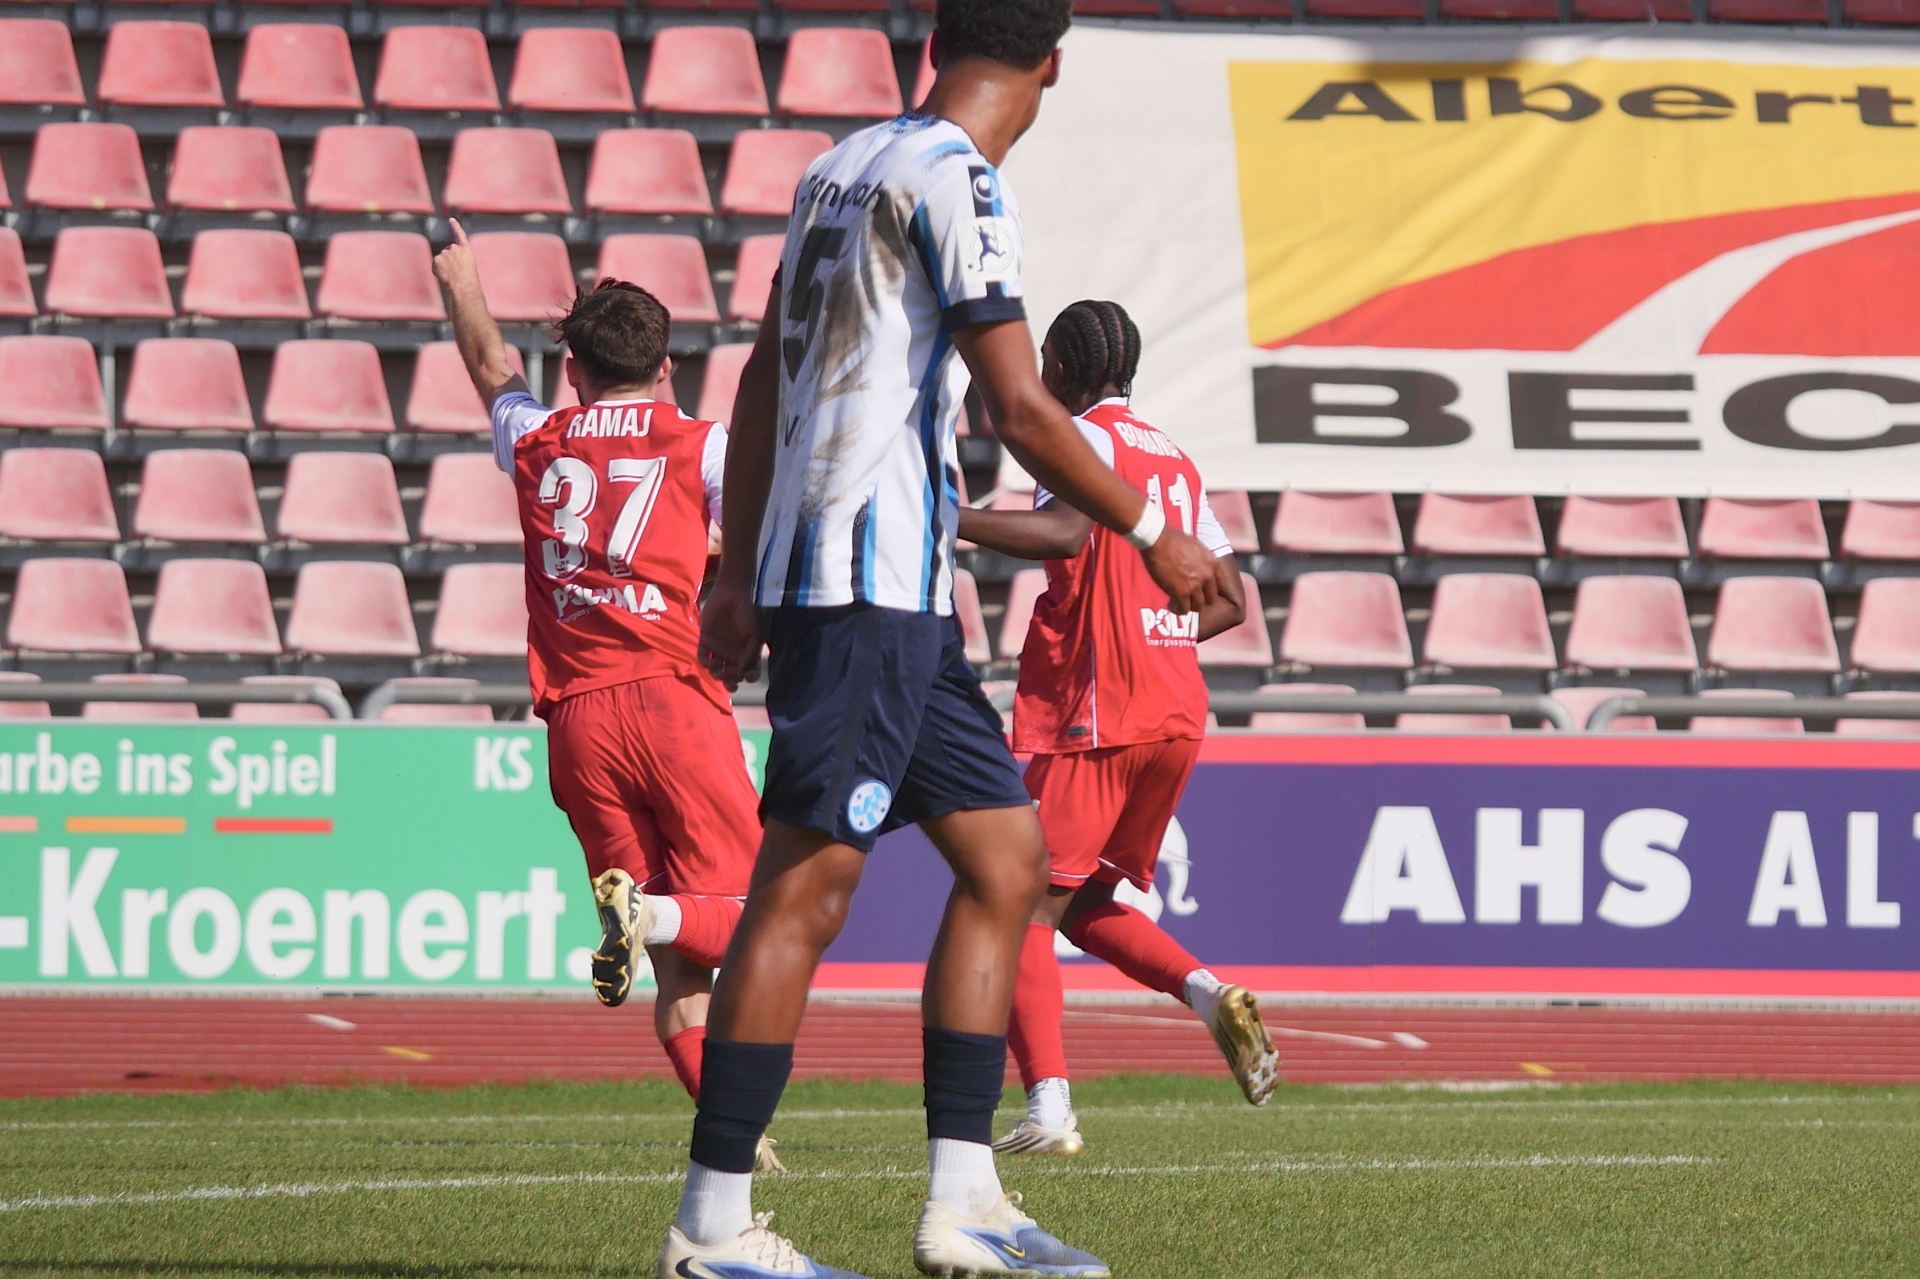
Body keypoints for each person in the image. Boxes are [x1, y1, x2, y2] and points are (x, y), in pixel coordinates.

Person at [674, 0, 1223, 1270]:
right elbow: (1024, 406)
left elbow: (760, 379)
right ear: (1052, 66)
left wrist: (739, 572)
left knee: (1006, 862)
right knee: (805, 890)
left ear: (936, 44)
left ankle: (965, 1200)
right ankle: (711, 1226)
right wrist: (1157, 531)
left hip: (890, 594)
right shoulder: (962, 180)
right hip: (864, 588)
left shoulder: (839, 166)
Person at [432, 222, 779, 1171]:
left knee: (679, 973)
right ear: (665, 367)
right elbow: (752, 533)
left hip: (578, 719)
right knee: (758, 915)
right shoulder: (701, 444)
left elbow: (489, 366)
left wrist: (463, 284)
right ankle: (652, 915)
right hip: (673, 697)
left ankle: (739, 1145)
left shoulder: (536, 438)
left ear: (573, 372)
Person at [957, 300, 1280, 1160]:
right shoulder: (1173, 455)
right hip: (1174, 711)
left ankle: (1050, 1104)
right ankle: (1210, 993)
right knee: (1082, 902)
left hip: (1100, 710)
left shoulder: (1077, 440)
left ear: (1059, 368)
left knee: (1018, 901)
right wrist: (1157, 631)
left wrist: (947, 521)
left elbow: (1064, 533)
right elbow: (1231, 599)